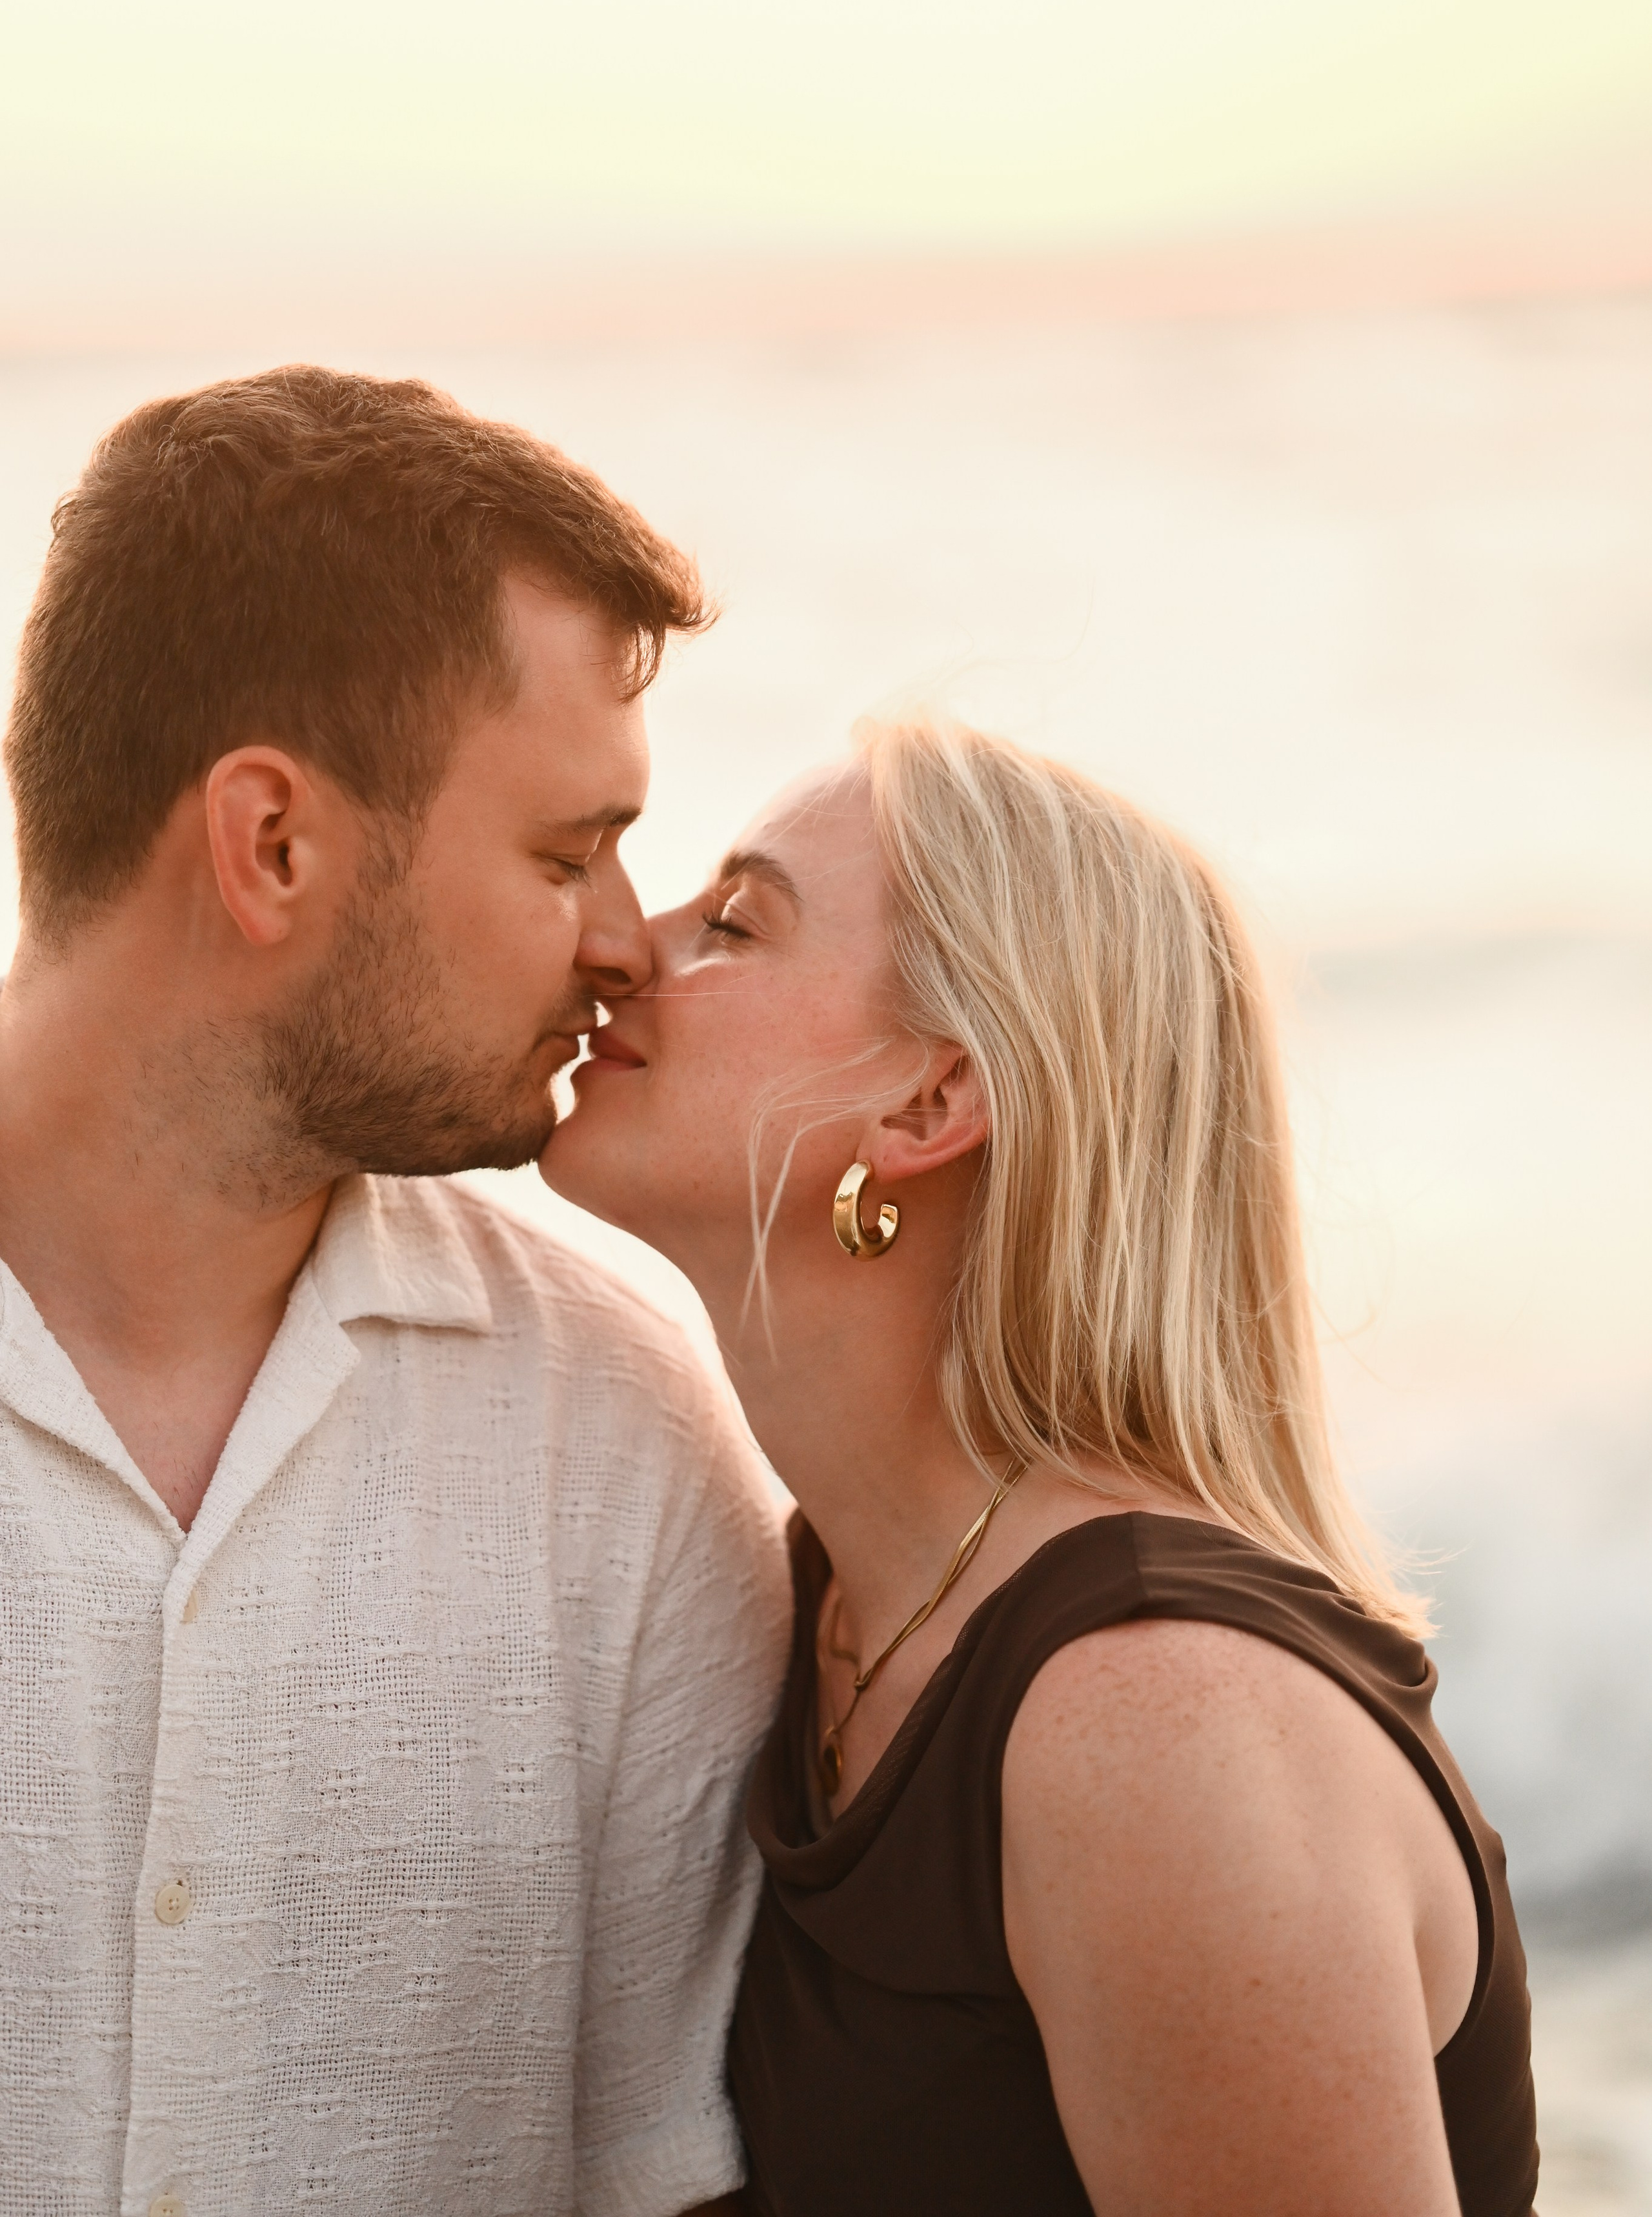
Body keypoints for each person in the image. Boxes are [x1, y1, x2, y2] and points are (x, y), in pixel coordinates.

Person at [543, 716, 1541, 2217]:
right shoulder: (812, 1601)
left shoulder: (1154, 1720)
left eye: (734, 919)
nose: (623, 944)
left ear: (927, 1104)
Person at [0, 367, 789, 2217]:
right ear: (273, 845)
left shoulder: (619, 1440)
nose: (623, 939)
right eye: (561, 851)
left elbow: (661, 2179)